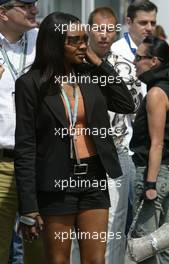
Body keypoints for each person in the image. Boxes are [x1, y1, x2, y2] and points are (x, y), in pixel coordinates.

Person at [14, 12, 135, 264]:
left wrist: (99, 63)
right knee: (58, 260)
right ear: (54, 44)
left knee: (95, 260)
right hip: (56, 182)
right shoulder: (31, 84)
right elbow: (25, 146)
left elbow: (125, 103)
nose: (83, 45)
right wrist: (28, 205)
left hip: (93, 178)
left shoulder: (90, 76)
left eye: (84, 39)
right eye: (74, 40)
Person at [70, 7, 140, 264]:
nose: (104, 35)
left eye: (110, 29)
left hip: (115, 153)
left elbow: (133, 104)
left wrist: (103, 68)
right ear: (89, 30)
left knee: (113, 226)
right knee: (78, 228)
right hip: (79, 154)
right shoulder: (73, 63)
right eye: (99, 28)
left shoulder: (123, 65)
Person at [111, 0, 157, 240]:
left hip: (153, 147)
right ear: (128, 22)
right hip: (124, 147)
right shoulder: (115, 53)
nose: (149, 27)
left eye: (153, 22)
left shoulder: (157, 52)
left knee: (147, 219)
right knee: (124, 216)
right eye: (143, 22)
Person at [129, 36, 169, 264]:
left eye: (139, 57)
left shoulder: (156, 94)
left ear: (154, 61)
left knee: (145, 245)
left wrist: (149, 184)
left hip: (154, 173)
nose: (134, 61)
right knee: (167, 242)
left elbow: (157, 143)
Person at [0, 0, 39, 263]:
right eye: (25, 5)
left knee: (41, 253)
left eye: (34, 3)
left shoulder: (44, 40)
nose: (34, 10)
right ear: (3, 12)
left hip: (39, 163)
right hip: (1, 164)